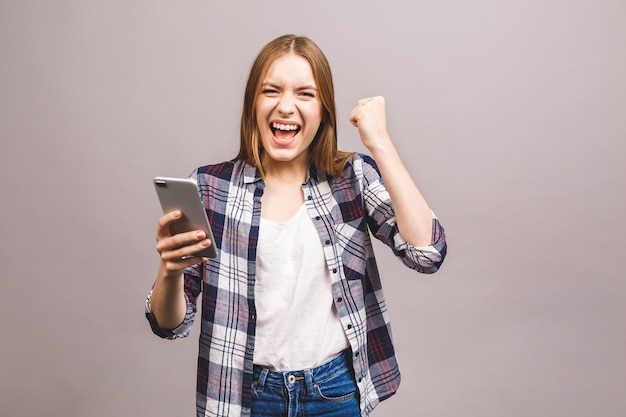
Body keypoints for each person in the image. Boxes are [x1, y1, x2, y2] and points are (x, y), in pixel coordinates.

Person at [146, 34, 447, 417]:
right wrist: (169, 271)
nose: (285, 106)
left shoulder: (350, 177)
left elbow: (427, 253)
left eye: (305, 94)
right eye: (271, 91)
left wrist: (381, 143)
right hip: (243, 397)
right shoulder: (210, 188)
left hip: (334, 391)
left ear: (323, 110)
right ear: (253, 104)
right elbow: (168, 324)